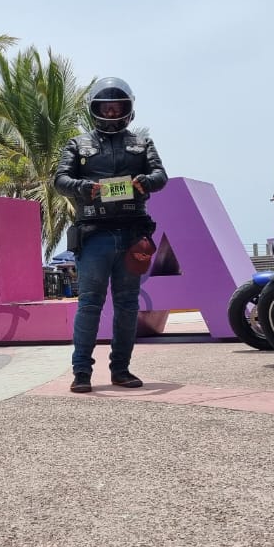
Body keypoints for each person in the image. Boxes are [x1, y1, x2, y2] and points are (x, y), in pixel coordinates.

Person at [53, 76, 168, 393]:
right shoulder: (78, 144)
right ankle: (81, 373)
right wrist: (82, 187)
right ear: (95, 109)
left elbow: (161, 176)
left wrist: (148, 180)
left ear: (129, 109)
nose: (112, 111)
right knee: (89, 304)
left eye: (118, 106)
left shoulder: (142, 143)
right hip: (95, 235)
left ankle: (121, 370)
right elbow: (60, 179)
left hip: (133, 233)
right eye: (106, 106)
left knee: (128, 305)